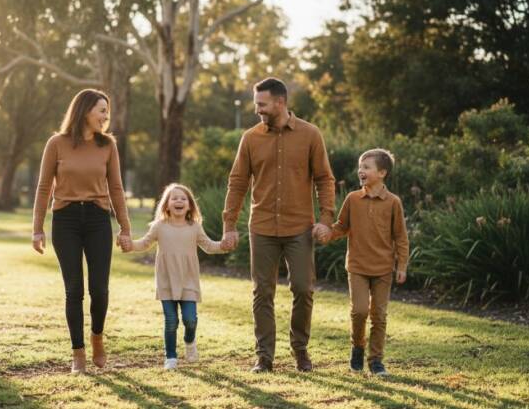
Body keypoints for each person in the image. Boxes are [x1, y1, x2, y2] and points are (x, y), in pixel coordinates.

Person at [222, 77, 336, 372]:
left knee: (302, 288)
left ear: (280, 102)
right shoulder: (250, 138)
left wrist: (326, 219)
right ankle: (265, 356)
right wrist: (229, 224)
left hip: (300, 227)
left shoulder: (310, 135)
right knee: (263, 292)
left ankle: (300, 350)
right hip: (261, 227)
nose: (256, 109)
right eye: (255, 103)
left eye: (261, 104)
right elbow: (237, 182)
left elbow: (324, 179)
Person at [31, 89, 132, 374]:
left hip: (98, 219)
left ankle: (97, 338)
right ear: (85, 111)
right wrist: (37, 229)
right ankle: (78, 353)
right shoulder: (57, 144)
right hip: (66, 220)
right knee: (73, 289)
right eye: (101, 110)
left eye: (106, 111)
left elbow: (116, 188)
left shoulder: (108, 145)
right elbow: (43, 188)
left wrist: (125, 228)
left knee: (99, 289)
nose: (105, 116)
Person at [122, 183, 232, 370]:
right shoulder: (159, 226)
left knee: (190, 319)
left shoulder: (194, 227)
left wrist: (223, 245)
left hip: (188, 279)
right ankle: (170, 357)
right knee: (171, 321)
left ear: (190, 205)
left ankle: (190, 341)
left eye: (183, 198)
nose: (179, 201)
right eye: (174, 198)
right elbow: (144, 243)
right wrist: (130, 245)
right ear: (166, 205)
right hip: (166, 280)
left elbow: (208, 245)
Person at [321, 148, 409, 376]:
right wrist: (326, 233)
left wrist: (402, 266)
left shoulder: (393, 202)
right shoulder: (352, 199)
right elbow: (342, 226)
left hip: (383, 269)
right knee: (359, 311)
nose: (361, 171)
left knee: (379, 316)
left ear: (382, 173)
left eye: (366, 167)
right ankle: (357, 348)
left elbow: (400, 237)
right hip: (358, 266)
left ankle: (376, 360)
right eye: (360, 167)